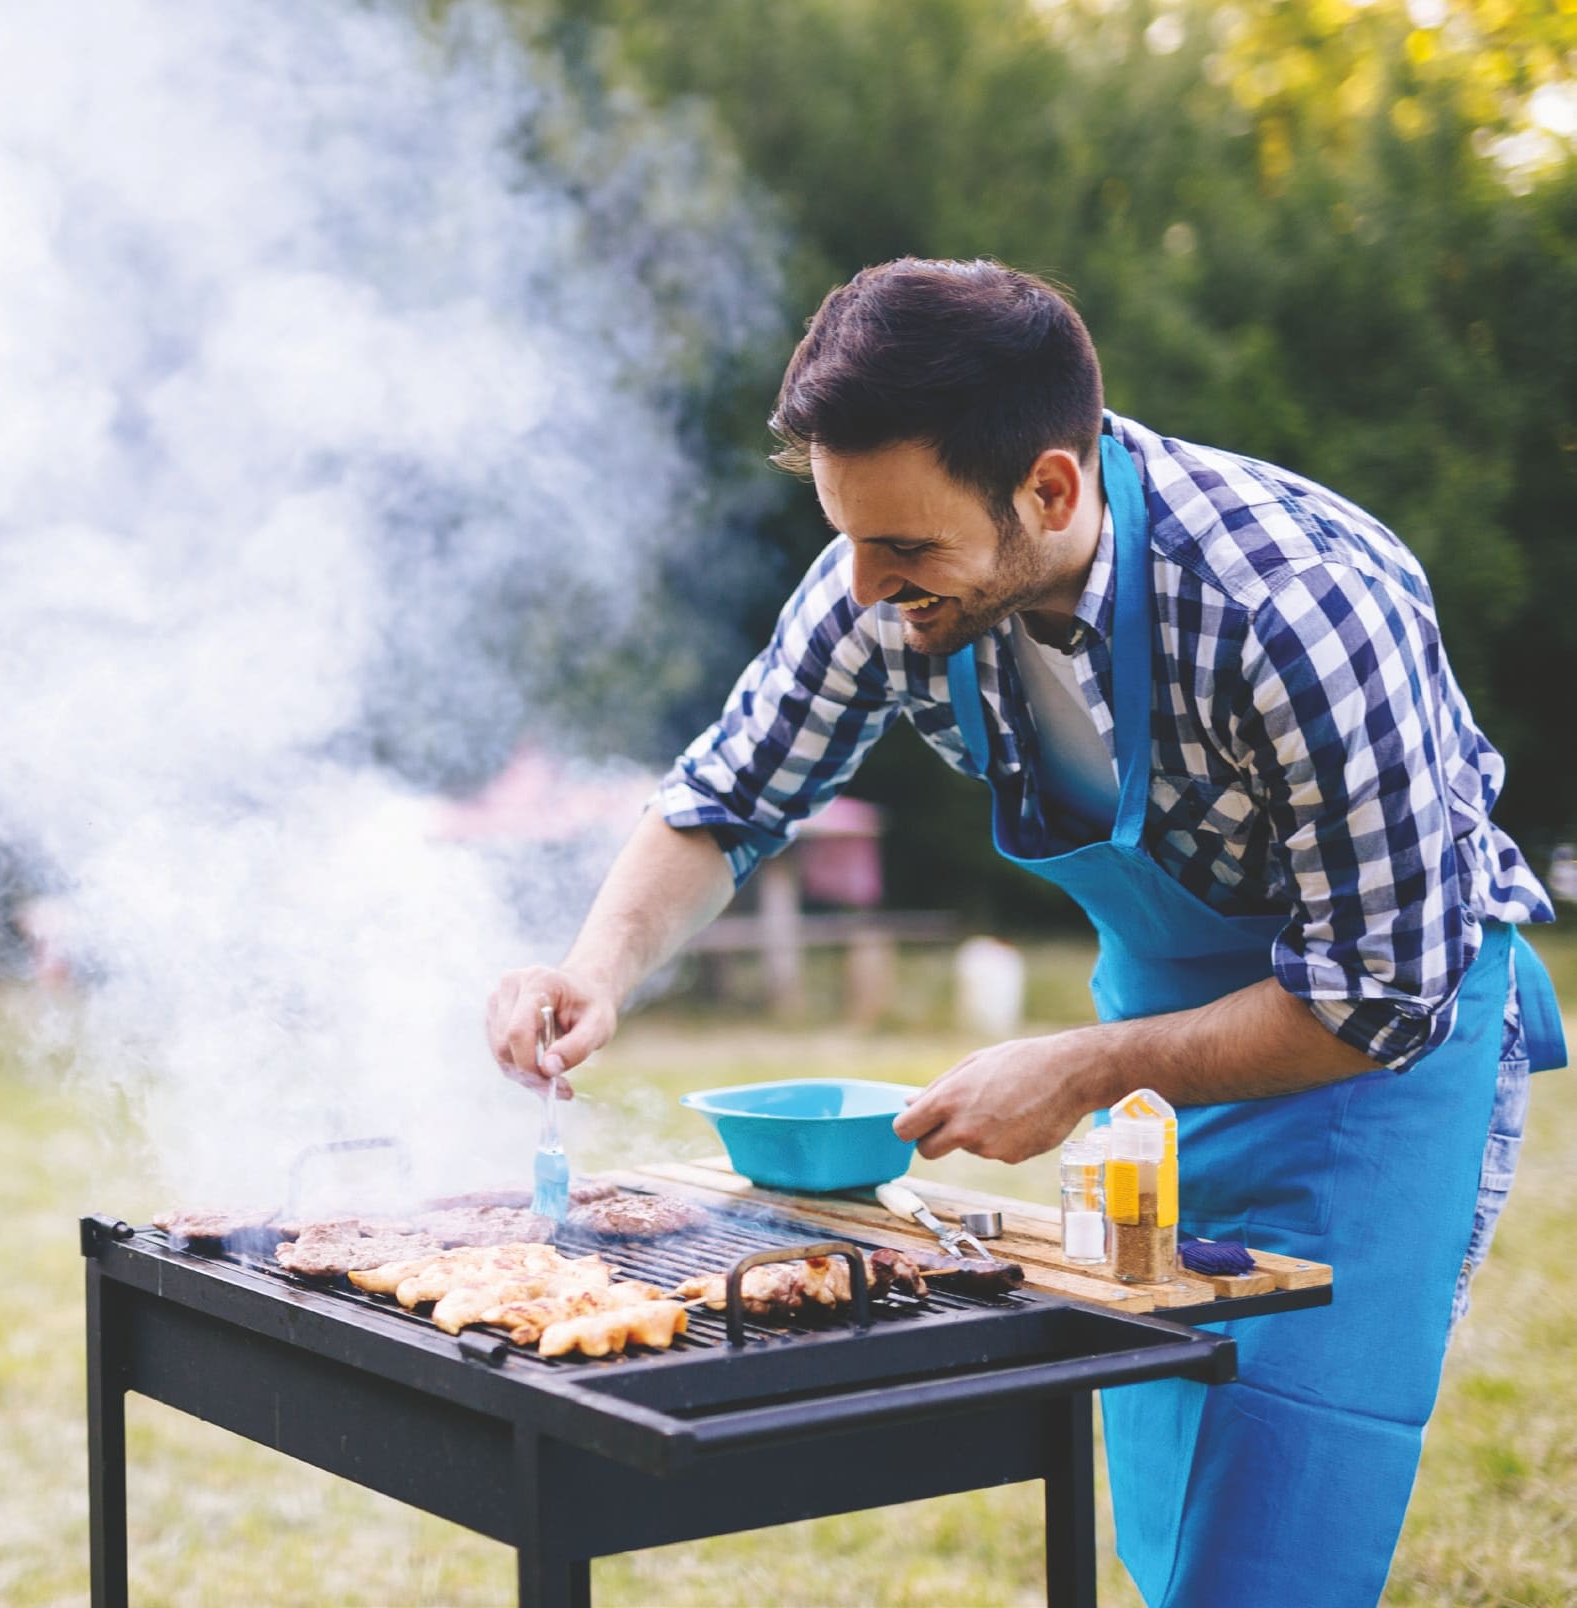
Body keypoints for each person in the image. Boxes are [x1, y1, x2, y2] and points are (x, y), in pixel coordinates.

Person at [480, 260, 1560, 1608]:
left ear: (1051, 491)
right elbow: (728, 796)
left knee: (1282, 1519)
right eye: (850, 537)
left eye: (909, 552)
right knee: (1171, 1481)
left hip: (1375, 1065)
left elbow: (1383, 996)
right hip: (1161, 1048)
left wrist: (1090, 1068)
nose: (865, 591)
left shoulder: (1294, 611)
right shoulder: (881, 582)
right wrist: (595, 971)